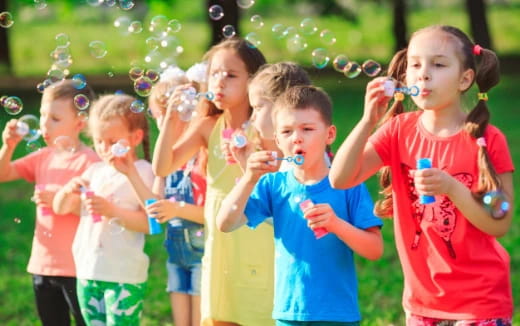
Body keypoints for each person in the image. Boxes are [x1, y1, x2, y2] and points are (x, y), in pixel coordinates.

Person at [329, 25, 514, 325]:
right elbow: (340, 179)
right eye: (414, 64)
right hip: (421, 302)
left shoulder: (487, 140)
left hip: (480, 301)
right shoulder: (398, 131)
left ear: (465, 79)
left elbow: (500, 223)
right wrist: (367, 121)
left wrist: (453, 188)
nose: (423, 74)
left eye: (438, 64)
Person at [216, 85, 383, 326]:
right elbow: (226, 223)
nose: (296, 137)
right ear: (277, 140)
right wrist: (249, 178)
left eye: (307, 129)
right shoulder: (273, 184)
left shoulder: (348, 184)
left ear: (330, 135)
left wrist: (337, 224)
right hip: (289, 313)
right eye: (286, 131)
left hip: (337, 314)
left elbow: (375, 249)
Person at [152, 37, 274, 326]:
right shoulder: (208, 126)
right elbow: (162, 166)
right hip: (218, 237)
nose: (219, 82)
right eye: (214, 74)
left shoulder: (265, 128)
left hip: (255, 230)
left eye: (231, 75)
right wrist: (171, 120)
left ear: (253, 80)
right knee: (221, 312)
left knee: (256, 309)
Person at [0, 79, 98, 326]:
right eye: (43, 115)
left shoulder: (90, 162)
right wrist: (8, 146)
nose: (44, 123)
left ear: (80, 123)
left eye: (55, 118)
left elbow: (98, 211)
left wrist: (61, 201)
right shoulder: (43, 157)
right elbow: (3, 174)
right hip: (43, 265)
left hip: (79, 267)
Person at [53, 94, 154, 326]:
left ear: (136, 137)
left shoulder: (143, 172)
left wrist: (111, 210)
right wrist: (67, 191)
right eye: (99, 141)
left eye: (112, 141)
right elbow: (60, 208)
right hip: (88, 270)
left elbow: (149, 223)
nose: (104, 148)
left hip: (123, 274)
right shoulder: (94, 171)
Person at [146, 70, 207, 326]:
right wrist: (130, 172)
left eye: (167, 114)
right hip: (175, 255)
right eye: (159, 116)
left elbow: (209, 213)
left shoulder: (200, 160)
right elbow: (153, 204)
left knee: (199, 320)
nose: (162, 122)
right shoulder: (166, 163)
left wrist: (177, 208)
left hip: (202, 253)